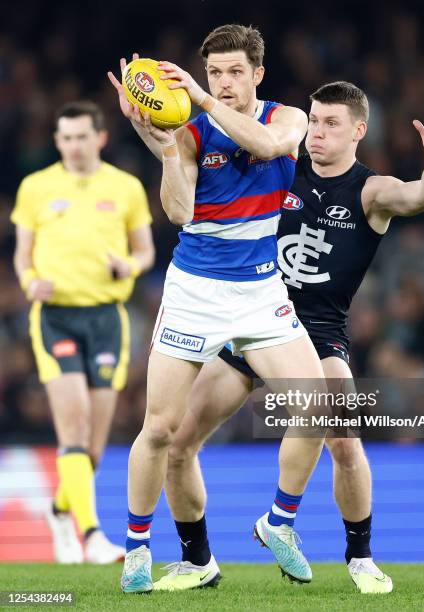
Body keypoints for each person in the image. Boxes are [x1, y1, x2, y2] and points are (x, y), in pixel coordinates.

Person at [159, 82, 424, 593]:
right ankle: (198, 560)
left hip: (318, 330)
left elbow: (420, 196)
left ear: (359, 130)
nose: (317, 133)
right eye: (314, 120)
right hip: (248, 320)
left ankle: (356, 555)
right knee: (178, 443)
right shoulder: (278, 166)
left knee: (345, 440)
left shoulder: (369, 192)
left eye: (332, 123)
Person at [108, 24, 330, 593]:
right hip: (195, 294)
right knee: (160, 429)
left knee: (318, 404)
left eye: (235, 72)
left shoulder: (289, 118)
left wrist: (203, 103)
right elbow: (180, 212)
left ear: (258, 74)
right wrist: (163, 147)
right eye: (213, 73)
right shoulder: (192, 129)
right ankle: (136, 547)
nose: (223, 83)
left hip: (260, 292)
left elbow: (269, 147)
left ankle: (278, 521)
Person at [11, 101, 155, 564]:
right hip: (56, 317)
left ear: (100, 137)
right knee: (72, 429)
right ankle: (91, 534)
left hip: (107, 319)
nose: (73, 146)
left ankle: (59, 511)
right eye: (65, 138)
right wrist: (30, 281)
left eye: (81, 136)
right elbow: (22, 255)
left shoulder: (126, 187)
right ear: (57, 142)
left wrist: (128, 265)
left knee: (92, 447)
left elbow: (146, 252)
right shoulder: (36, 187)